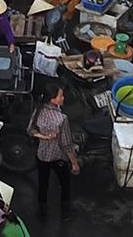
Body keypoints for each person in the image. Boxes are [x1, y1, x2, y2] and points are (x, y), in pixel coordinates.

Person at [29, 82, 78, 220]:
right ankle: (65, 213)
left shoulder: (38, 109)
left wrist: (43, 136)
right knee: (65, 184)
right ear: (52, 99)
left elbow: (30, 130)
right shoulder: (61, 119)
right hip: (58, 157)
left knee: (43, 183)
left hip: (42, 155)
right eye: (60, 96)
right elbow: (67, 144)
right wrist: (74, 163)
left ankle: (42, 212)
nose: (63, 98)